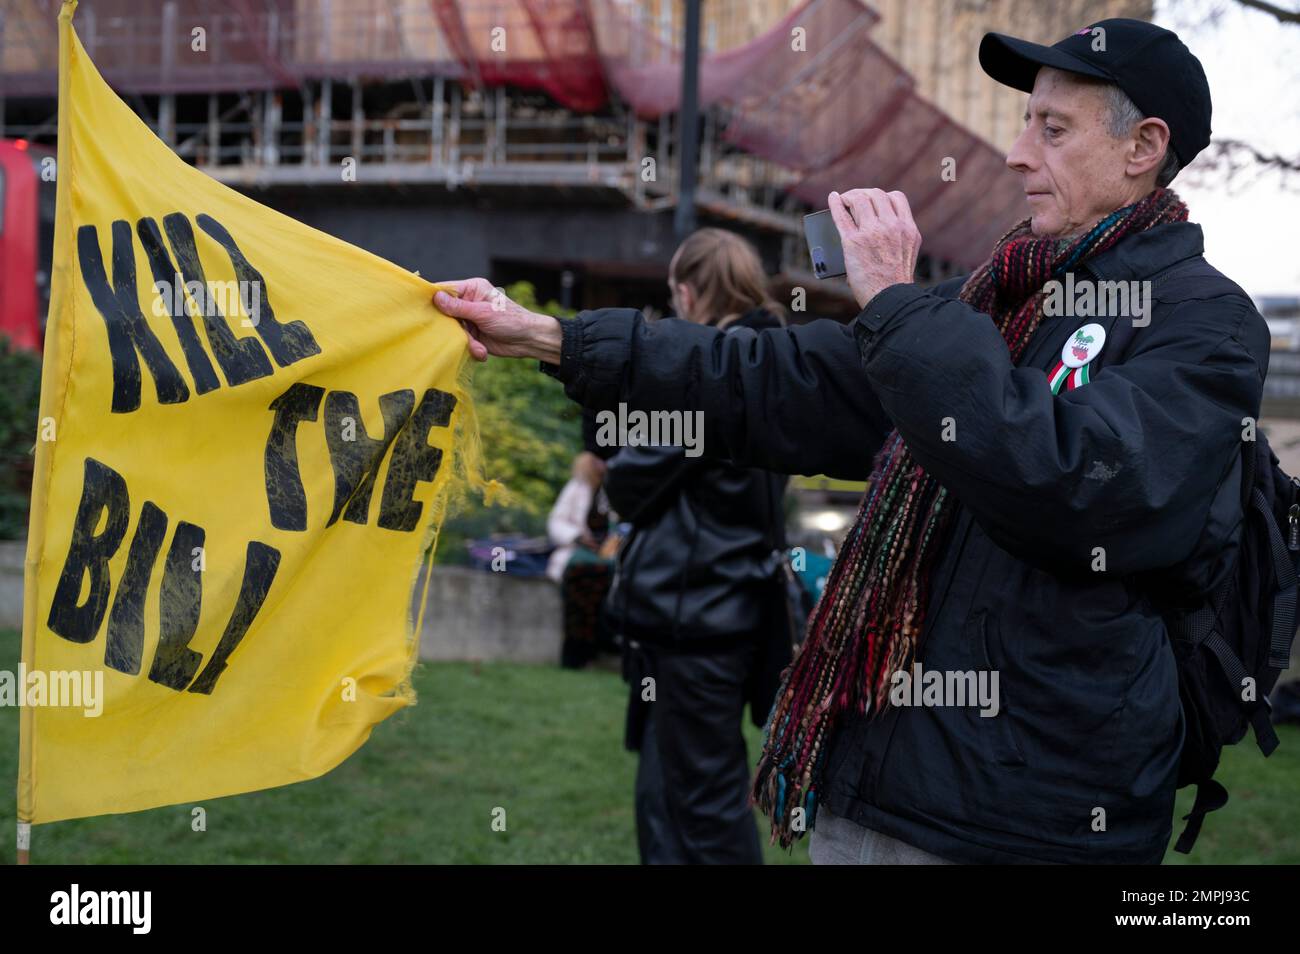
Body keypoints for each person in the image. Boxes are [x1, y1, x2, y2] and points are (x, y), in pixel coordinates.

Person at [435, 19, 1270, 865]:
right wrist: (553, 339)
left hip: (1020, 826)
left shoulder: (1207, 322)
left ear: (1144, 147)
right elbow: (767, 375)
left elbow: (1080, 486)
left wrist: (898, 310)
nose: (1017, 152)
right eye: (1025, 122)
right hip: (874, 790)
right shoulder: (990, 300)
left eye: (1051, 128)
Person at [595, 228, 793, 863]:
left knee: (698, 806)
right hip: (725, 612)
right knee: (673, 798)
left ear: (686, 291)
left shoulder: (718, 361)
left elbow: (629, 479)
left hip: (693, 618)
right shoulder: (778, 358)